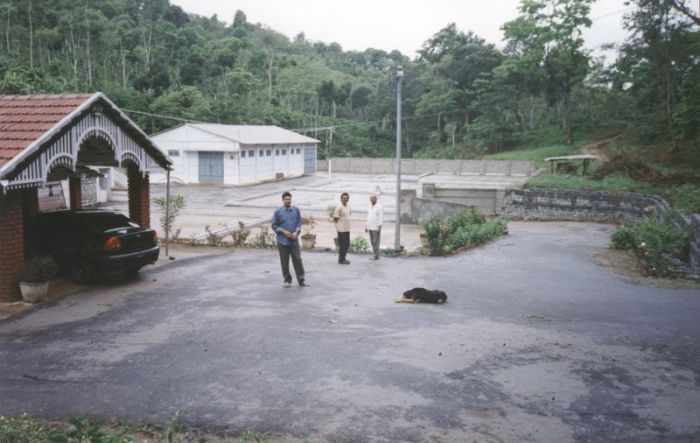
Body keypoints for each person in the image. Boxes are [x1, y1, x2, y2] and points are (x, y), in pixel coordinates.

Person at [271, 191, 308, 287]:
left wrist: (296, 232)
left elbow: (299, 223)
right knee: (284, 261)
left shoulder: (296, 210)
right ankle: (287, 280)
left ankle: (301, 280)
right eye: (286, 199)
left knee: (298, 259)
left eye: (289, 199)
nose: (288, 201)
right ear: (282, 200)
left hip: (294, 240)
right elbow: (274, 225)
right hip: (282, 240)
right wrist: (283, 232)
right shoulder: (278, 212)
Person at [333, 192, 351, 264]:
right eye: (344, 198)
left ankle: (343, 257)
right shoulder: (339, 207)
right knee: (342, 244)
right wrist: (338, 226)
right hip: (341, 229)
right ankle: (341, 259)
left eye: (346, 198)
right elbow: (335, 218)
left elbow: (349, 214)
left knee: (347, 244)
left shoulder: (348, 206)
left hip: (347, 228)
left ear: (348, 199)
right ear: (341, 199)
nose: (345, 199)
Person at [366, 193, 383, 260]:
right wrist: (366, 226)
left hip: (376, 227)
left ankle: (376, 256)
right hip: (370, 226)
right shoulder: (370, 206)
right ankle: (375, 255)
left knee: (376, 242)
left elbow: (381, 218)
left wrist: (379, 227)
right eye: (371, 198)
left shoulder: (379, 207)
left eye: (373, 198)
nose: (372, 200)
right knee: (372, 242)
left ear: (376, 199)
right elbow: (368, 217)